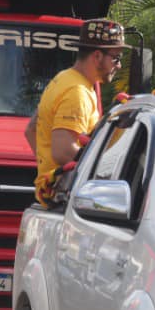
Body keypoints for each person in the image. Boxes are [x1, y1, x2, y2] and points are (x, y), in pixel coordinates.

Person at [24, 19, 127, 204]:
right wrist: (107, 170)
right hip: (65, 199)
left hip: (57, 194)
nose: (118, 66)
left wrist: (46, 169)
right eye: (116, 58)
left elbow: (31, 129)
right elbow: (63, 152)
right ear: (97, 56)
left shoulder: (63, 79)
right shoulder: (77, 92)